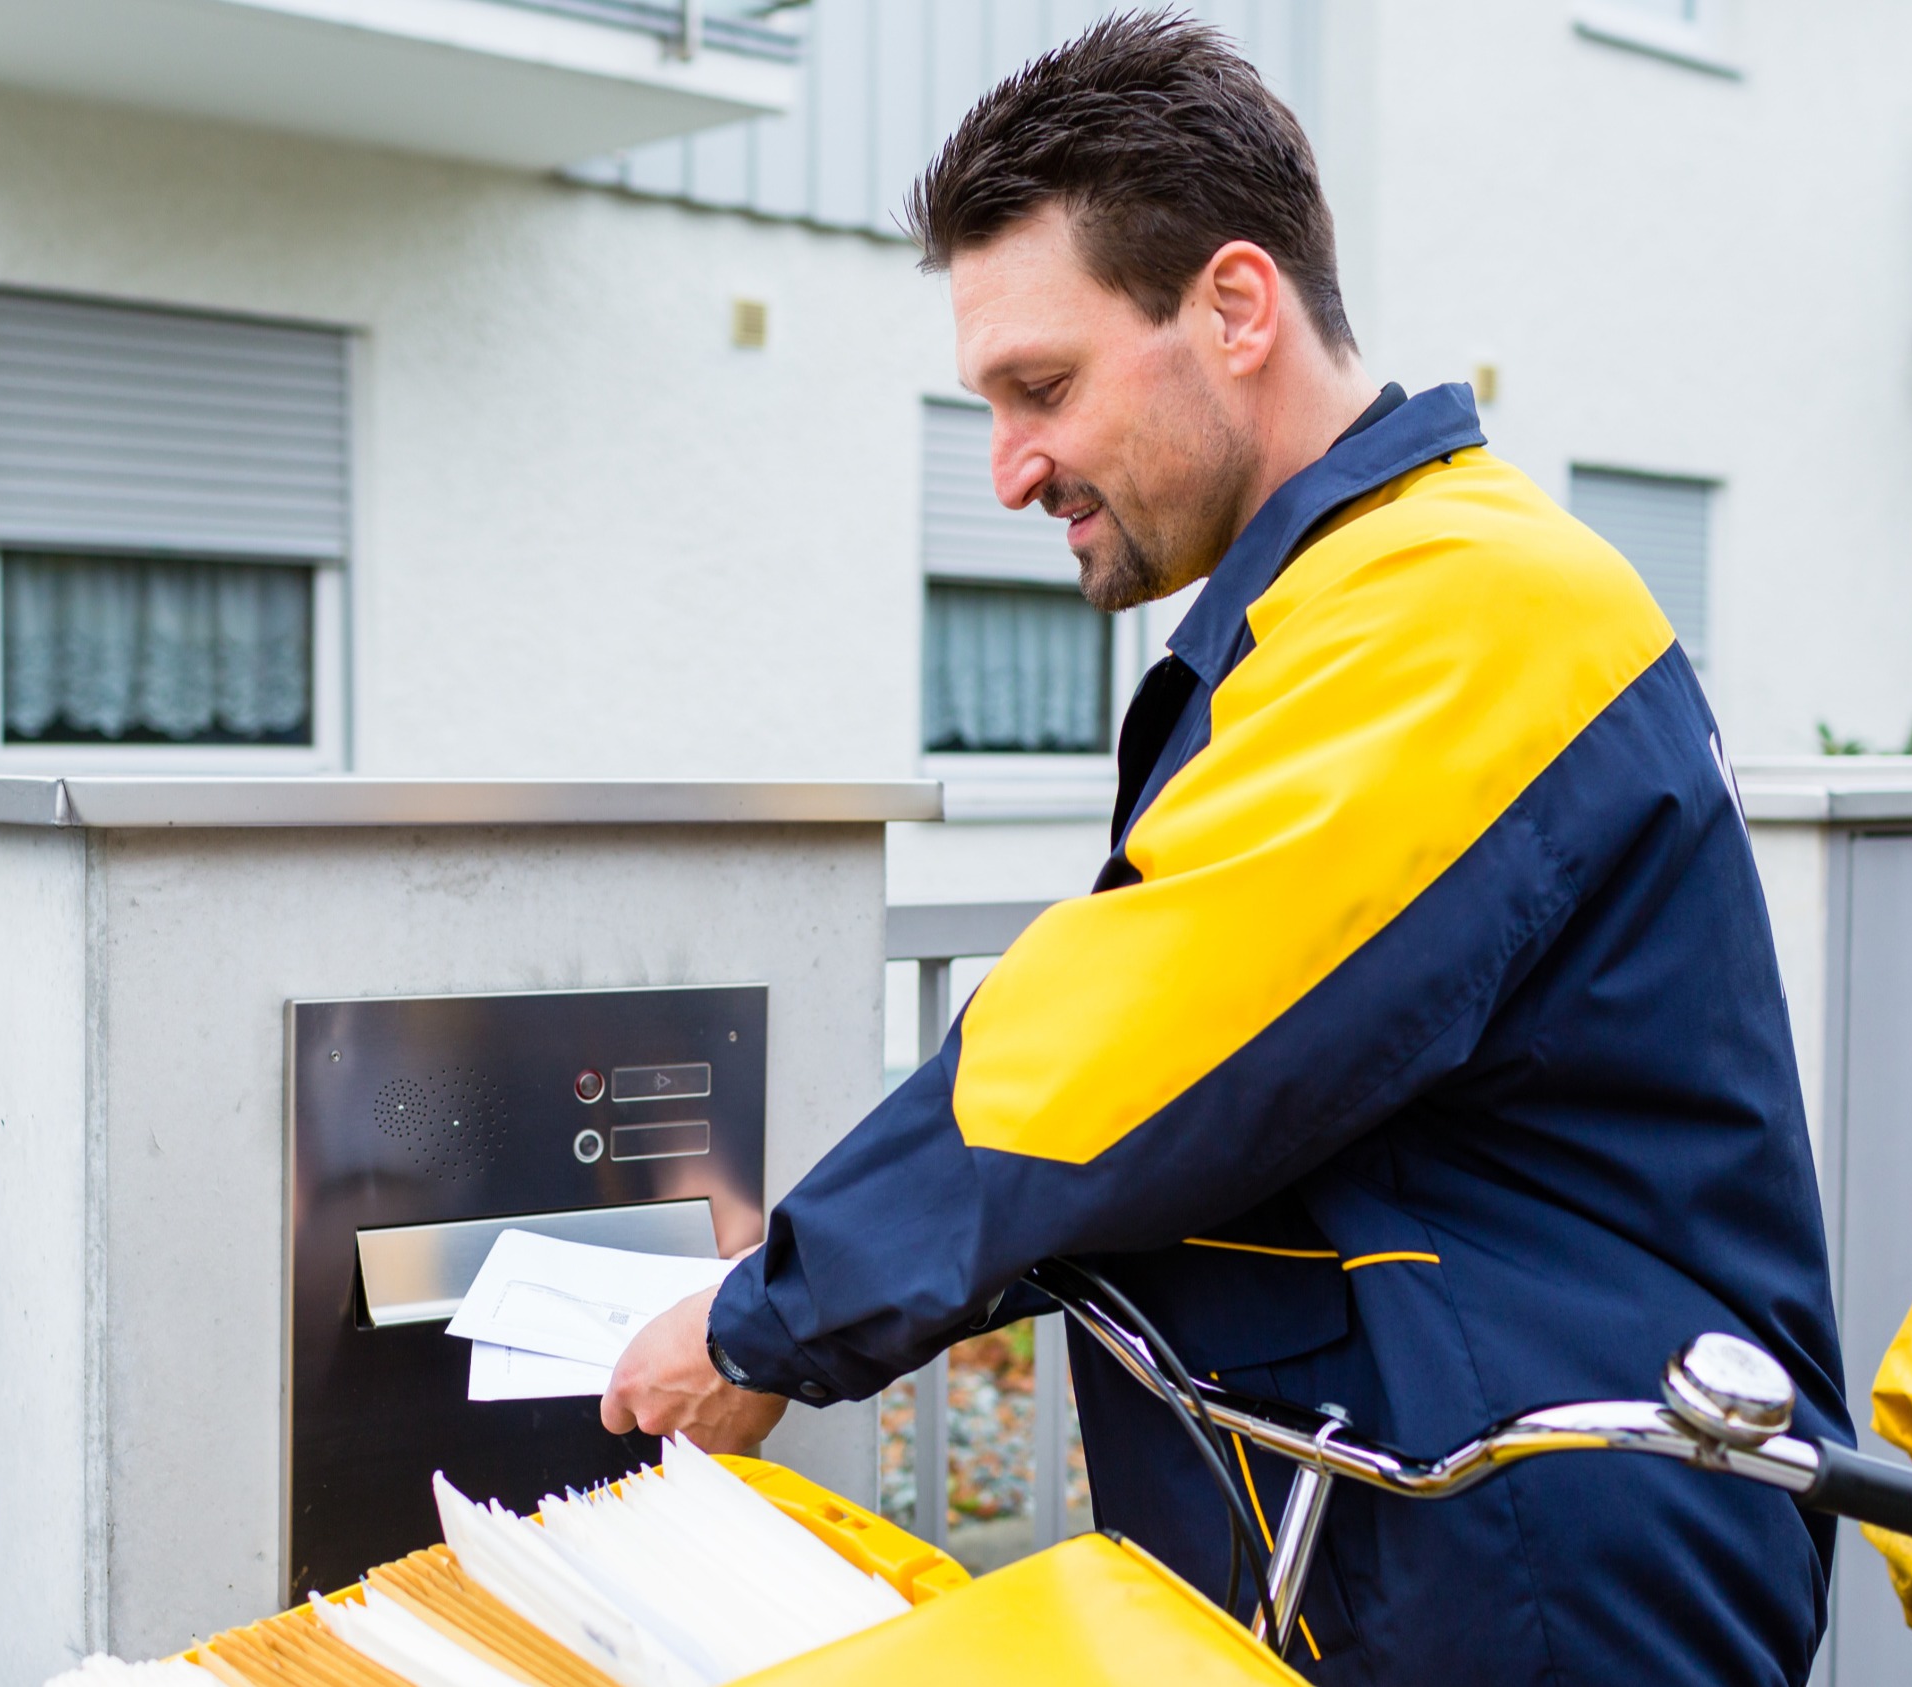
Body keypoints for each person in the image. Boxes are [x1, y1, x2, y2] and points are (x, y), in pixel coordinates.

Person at [602, 13, 1848, 1684]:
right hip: (1426, 1529)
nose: (1011, 466)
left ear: (1237, 308)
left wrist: (768, 1320)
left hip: (1541, 1560)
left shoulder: (1471, 607)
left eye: (1042, 387)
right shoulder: (1355, 607)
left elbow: (1139, 1048)